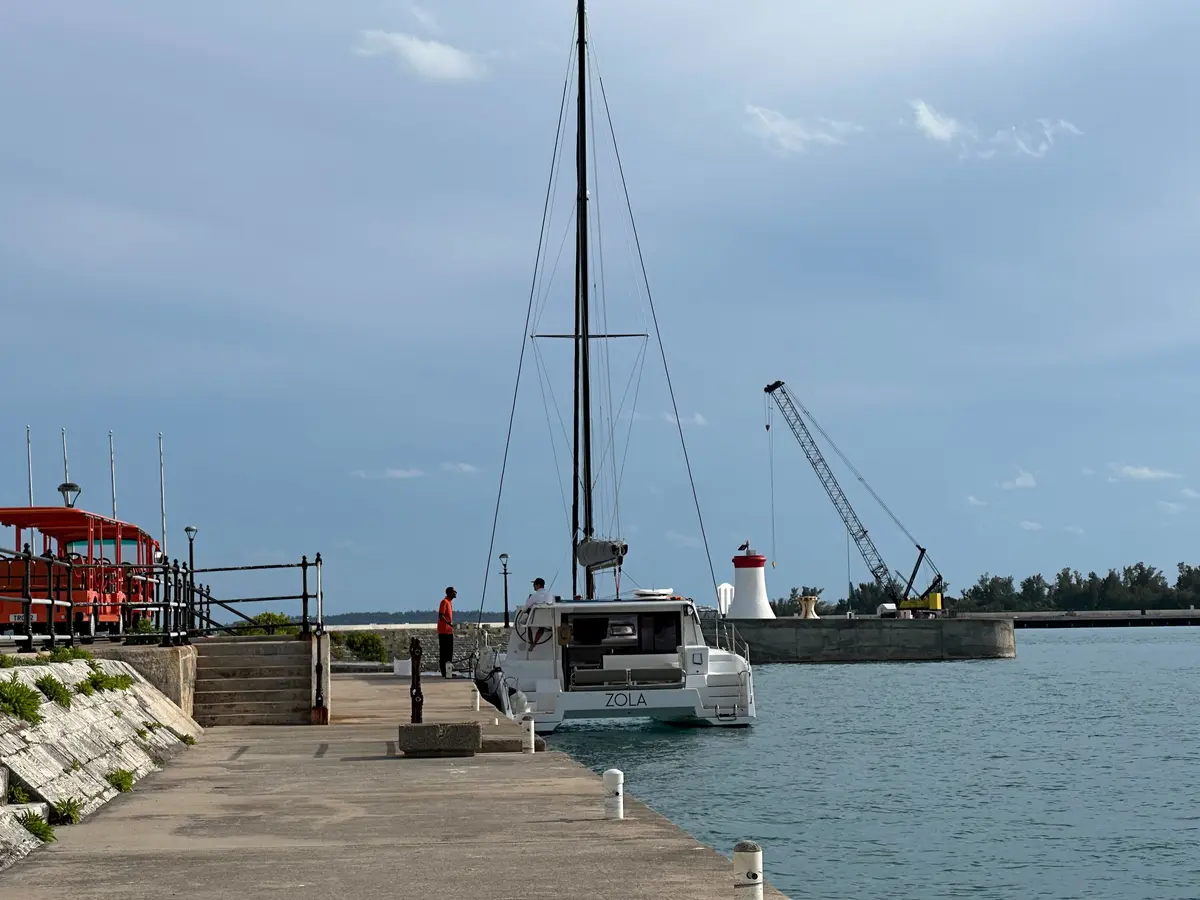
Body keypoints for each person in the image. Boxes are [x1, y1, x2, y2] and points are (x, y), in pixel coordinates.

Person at [437, 586, 456, 677]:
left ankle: (449, 671)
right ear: (449, 593)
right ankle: (444, 672)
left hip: (449, 631)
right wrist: (448, 622)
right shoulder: (444, 602)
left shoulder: (450, 602)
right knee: (444, 652)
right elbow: (441, 615)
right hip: (444, 631)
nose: (455, 593)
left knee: (449, 653)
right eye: (454, 592)